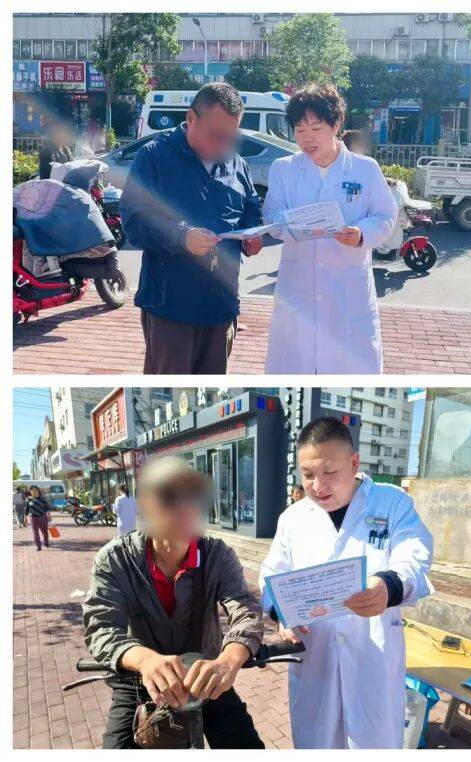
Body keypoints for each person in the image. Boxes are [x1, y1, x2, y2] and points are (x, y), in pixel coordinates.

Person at [259, 417, 433, 748]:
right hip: (316, 658)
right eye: (308, 475)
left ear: (354, 463)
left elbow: (415, 554)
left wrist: (388, 586)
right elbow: (270, 575)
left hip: (373, 657)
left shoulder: (391, 503)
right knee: (316, 743)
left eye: (329, 472)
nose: (318, 486)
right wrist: (280, 612)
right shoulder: (293, 519)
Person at [82, 457, 265, 748]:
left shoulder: (218, 556)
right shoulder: (115, 559)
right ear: (144, 504)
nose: (183, 506)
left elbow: (245, 610)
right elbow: (101, 626)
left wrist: (228, 661)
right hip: (139, 680)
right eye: (168, 496)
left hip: (206, 675)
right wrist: (145, 660)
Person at [120, 82, 265, 374]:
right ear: (191, 118)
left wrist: (253, 235)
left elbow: (251, 207)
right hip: (172, 308)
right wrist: (182, 236)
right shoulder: (155, 157)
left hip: (221, 305)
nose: (222, 145)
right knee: (170, 386)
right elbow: (134, 220)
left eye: (230, 136)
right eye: (215, 135)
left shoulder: (236, 164)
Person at [263, 84, 398, 374]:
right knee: (293, 365)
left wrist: (361, 234)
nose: (307, 137)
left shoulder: (365, 169)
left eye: (315, 128)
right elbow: (271, 216)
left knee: (350, 367)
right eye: (299, 130)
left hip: (347, 291)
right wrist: (295, 225)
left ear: (336, 125)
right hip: (298, 287)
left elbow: (386, 215)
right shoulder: (283, 169)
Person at [26, 485, 53, 550]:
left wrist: (49, 516)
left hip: (43, 517)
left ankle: (46, 542)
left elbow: (47, 508)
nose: (34, 492)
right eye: (32, 490)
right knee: (35, 533)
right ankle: (38, 546)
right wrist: (25, 518)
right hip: (33, 518)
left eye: (35, 490)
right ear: (30, 491)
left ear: (38, 491)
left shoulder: (42, 499)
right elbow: (27, 509)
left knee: (45, 531)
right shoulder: (29, 499)